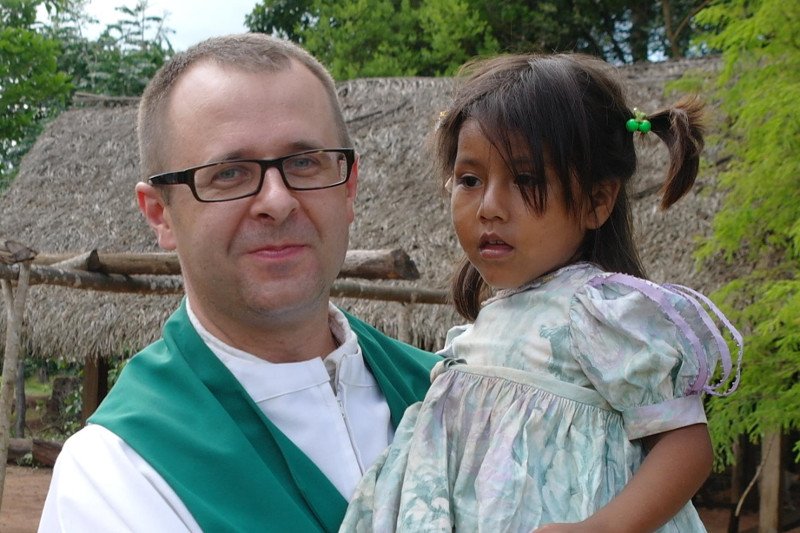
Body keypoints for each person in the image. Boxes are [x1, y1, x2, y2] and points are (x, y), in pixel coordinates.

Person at [39, 33, 440, 532]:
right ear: (160, 214)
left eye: (303, 163)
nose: (278, 200)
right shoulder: (118, 472)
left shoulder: (456, 395)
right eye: (228, 172)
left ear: (349, 187)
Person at [341, 53, 742, 532]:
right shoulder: (478, 330)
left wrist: (602, 528)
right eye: (469, 180)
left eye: (526, 179)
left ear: (597, 200)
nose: (488, 206)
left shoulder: (600, 313)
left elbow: (686, 446)